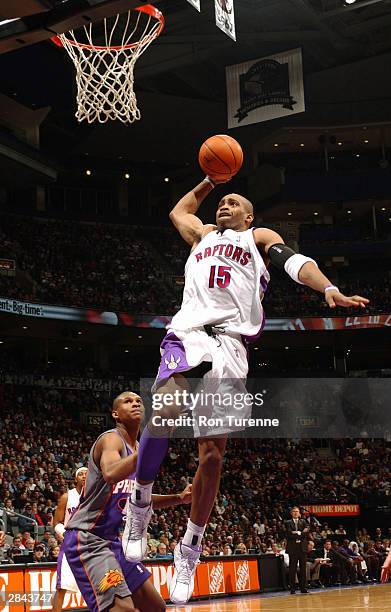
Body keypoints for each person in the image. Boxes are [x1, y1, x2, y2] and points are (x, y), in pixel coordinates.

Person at [123, 176, 369, 604]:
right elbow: (178, 212)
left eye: (233, 201)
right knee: (164, 410)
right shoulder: (201, 234)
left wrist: (328, 287)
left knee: (213, 457)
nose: (225, 203)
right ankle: (139, 506)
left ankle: (190, 548)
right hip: (189, 332)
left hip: (233, 347)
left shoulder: (259, 237)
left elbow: (298, 263)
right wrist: (207, 181)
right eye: (222, 200)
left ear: (249, 215)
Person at [62, 391, 192, 612]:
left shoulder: (140, 448)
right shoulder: (111, 439)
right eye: (128, 401)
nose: (135, 404)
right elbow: (111, 473)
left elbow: (138, 498)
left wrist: (179, 498)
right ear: (115, 414)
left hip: (114, 543)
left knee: (155, 607)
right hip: (89, 539)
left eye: (139, 401)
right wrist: (151, 447)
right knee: (123, 609)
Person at [51, 467, 88, 612]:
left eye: (87, 473)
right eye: (80, 474)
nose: (84, 476)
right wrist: (65, 534)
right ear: (75, 479)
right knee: (62, 587)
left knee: (101, 585)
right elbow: (56, 522)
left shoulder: (95, 496)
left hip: (90, 544)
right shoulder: (67, 497)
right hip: (71, 544)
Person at [284, 506, 310, 594]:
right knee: (292, 569)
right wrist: (300, 533)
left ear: (299, 513)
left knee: (303, 569)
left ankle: (304, 588)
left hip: (302, 548)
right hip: (293, 548)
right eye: (294, 511)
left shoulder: (303, 521)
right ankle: (292, 588)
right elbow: (289, 533)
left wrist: (298, 532)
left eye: (297, 511)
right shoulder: (287, 522)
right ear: (291, 513)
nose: (295, 513)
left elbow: (307, 530)